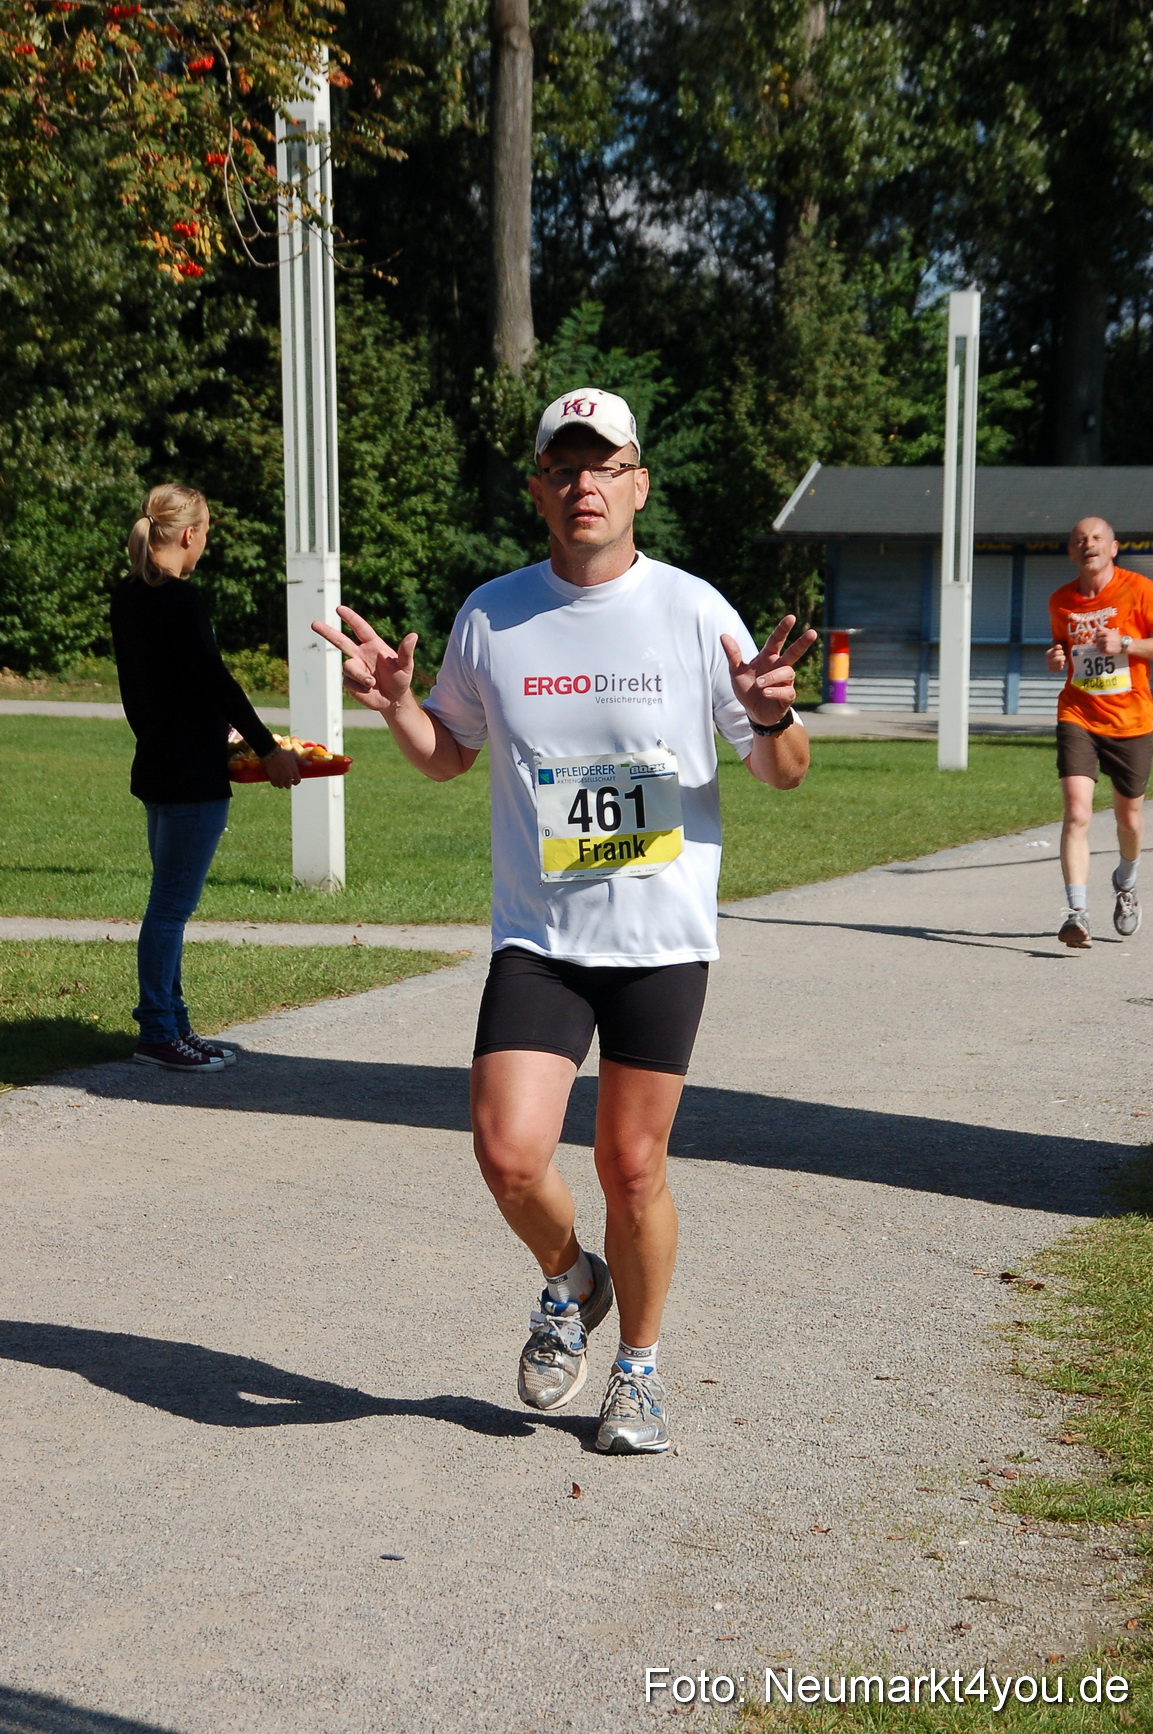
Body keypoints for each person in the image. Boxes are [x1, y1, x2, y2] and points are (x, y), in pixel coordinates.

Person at [314, 389, 814, 1454]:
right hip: (540, 934)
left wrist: (770, 715)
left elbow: (782, 771)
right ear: (538, 486)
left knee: (631, 1166)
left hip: (660, 940)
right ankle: (567, 1280)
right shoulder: (493, 614)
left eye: (605, 465)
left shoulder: (693, 611)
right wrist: (399, 704)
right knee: (507, 1151)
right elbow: (450, 753)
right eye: (563, 466)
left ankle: (636, 1369)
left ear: (637, 483)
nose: (583, 483)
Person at [110, 484, 300, 1072]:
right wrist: (269, 750)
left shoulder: (127, 596)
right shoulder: (182, 601)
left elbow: (159, 688)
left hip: (158, 767)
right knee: (169, 908)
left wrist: (210, 730)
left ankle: (176, 1023)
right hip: (192, 778)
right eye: (208, 531)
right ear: (189, 534)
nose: (205, 543)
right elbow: (215, 680)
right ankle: (158, 1031)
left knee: (169, 904)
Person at [1047, 516, 1153, 948]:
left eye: (1096, 538)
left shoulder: (1140, 590)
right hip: (1079, 714)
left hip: (1131, 720)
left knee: (1128, 818)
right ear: (1072, 553)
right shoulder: (1060, 601)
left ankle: (1125, 883)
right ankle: (1077, 912)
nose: (1088, 545)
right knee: (1077, 812)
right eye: (1079, 541)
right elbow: (1064, 651)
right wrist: (1056, 658)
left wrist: (1126, 645)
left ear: (1113, 548)